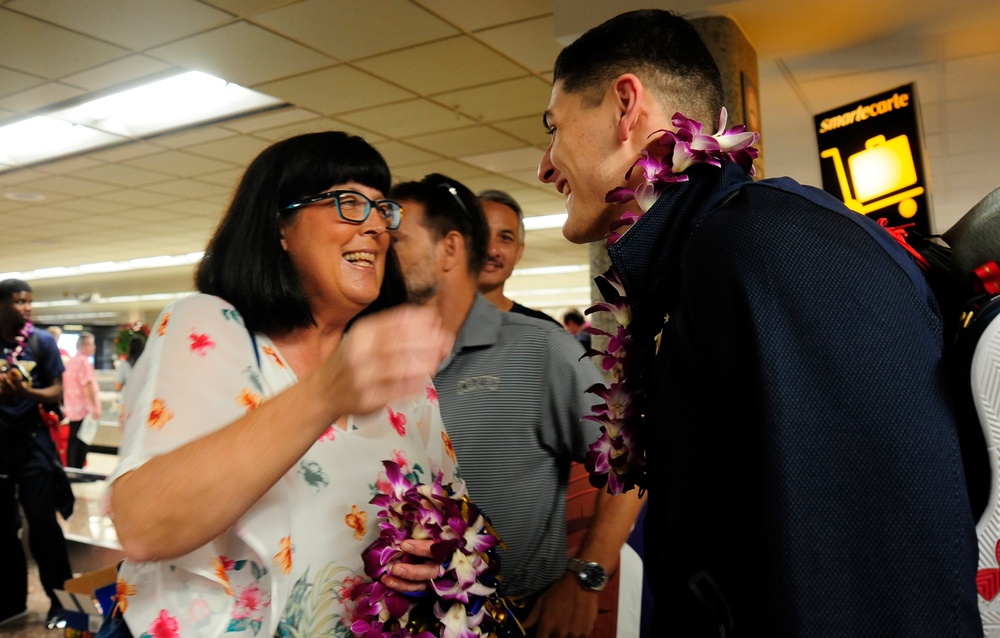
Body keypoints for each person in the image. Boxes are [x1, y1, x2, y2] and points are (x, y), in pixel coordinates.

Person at [537, 9, 981, 636]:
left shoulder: (763, 249)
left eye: (554, 128)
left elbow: (861, 572)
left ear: (625, 104)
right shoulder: (709, 255)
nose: (545, 164)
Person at [103, 132, 459, 638]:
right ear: (280, 227)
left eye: (384, 210)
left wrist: (435, 556)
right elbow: (143, 526)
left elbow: (449, 511)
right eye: (349, 203)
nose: (377, 226)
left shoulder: (396, 367)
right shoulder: (211, 326)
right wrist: (325, 392)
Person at [390, 174, 644, 638]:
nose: (380, 249)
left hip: (514, 617)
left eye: (396, 237)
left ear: (449, 249)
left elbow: (628, 467)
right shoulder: (374, 355)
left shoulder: (539, 348)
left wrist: (586, 579)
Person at [0, 278, 73, 629]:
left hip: (32, 445)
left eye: (29, 301)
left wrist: (26, 392)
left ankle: (65, 604)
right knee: (3, 528)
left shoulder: (40, 342)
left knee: (43, 523)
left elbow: (57, 389)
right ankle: (10, 601)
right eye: (18, 301)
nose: (27, 307)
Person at [476, 189, 559, 324]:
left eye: (505, 238)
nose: (491, 250)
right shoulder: (432, 323)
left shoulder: (544, 334)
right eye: (481, 235)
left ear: (519, 252)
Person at [63, 331, 101, 468]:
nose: (94, 348)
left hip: (72, 407)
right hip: (83, 408)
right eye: (92, 344)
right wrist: (95, 407)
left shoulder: (71, 362)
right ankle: (78, 469)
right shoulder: (84, 362)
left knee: (73, 440)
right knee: (82, 440)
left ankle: (72, 467)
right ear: (84, 346)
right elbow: (88, 385)